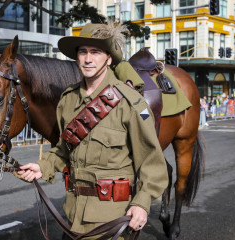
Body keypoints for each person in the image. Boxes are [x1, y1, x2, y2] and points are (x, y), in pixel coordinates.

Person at [17, 23, 168, 239]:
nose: (88, 59)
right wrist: (43, 166)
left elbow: (152, 162)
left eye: (95, 52)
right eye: (83, 52)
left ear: (108, 58)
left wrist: (142, 203)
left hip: (112, 220)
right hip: (72, 215)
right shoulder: (67, 100)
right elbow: (64, 148)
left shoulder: (130, 102)